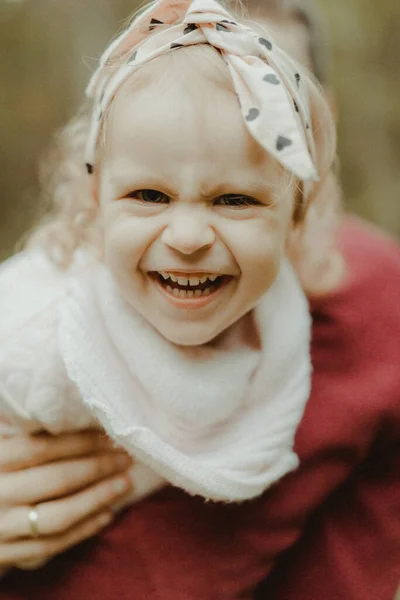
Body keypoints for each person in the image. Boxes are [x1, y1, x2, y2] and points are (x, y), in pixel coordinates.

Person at [0, 2, 399, 600]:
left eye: (235, 199)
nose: (187, 238)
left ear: (302, 200)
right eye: (148, 193)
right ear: (95, 197)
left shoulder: (374, 304)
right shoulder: (35, 337)